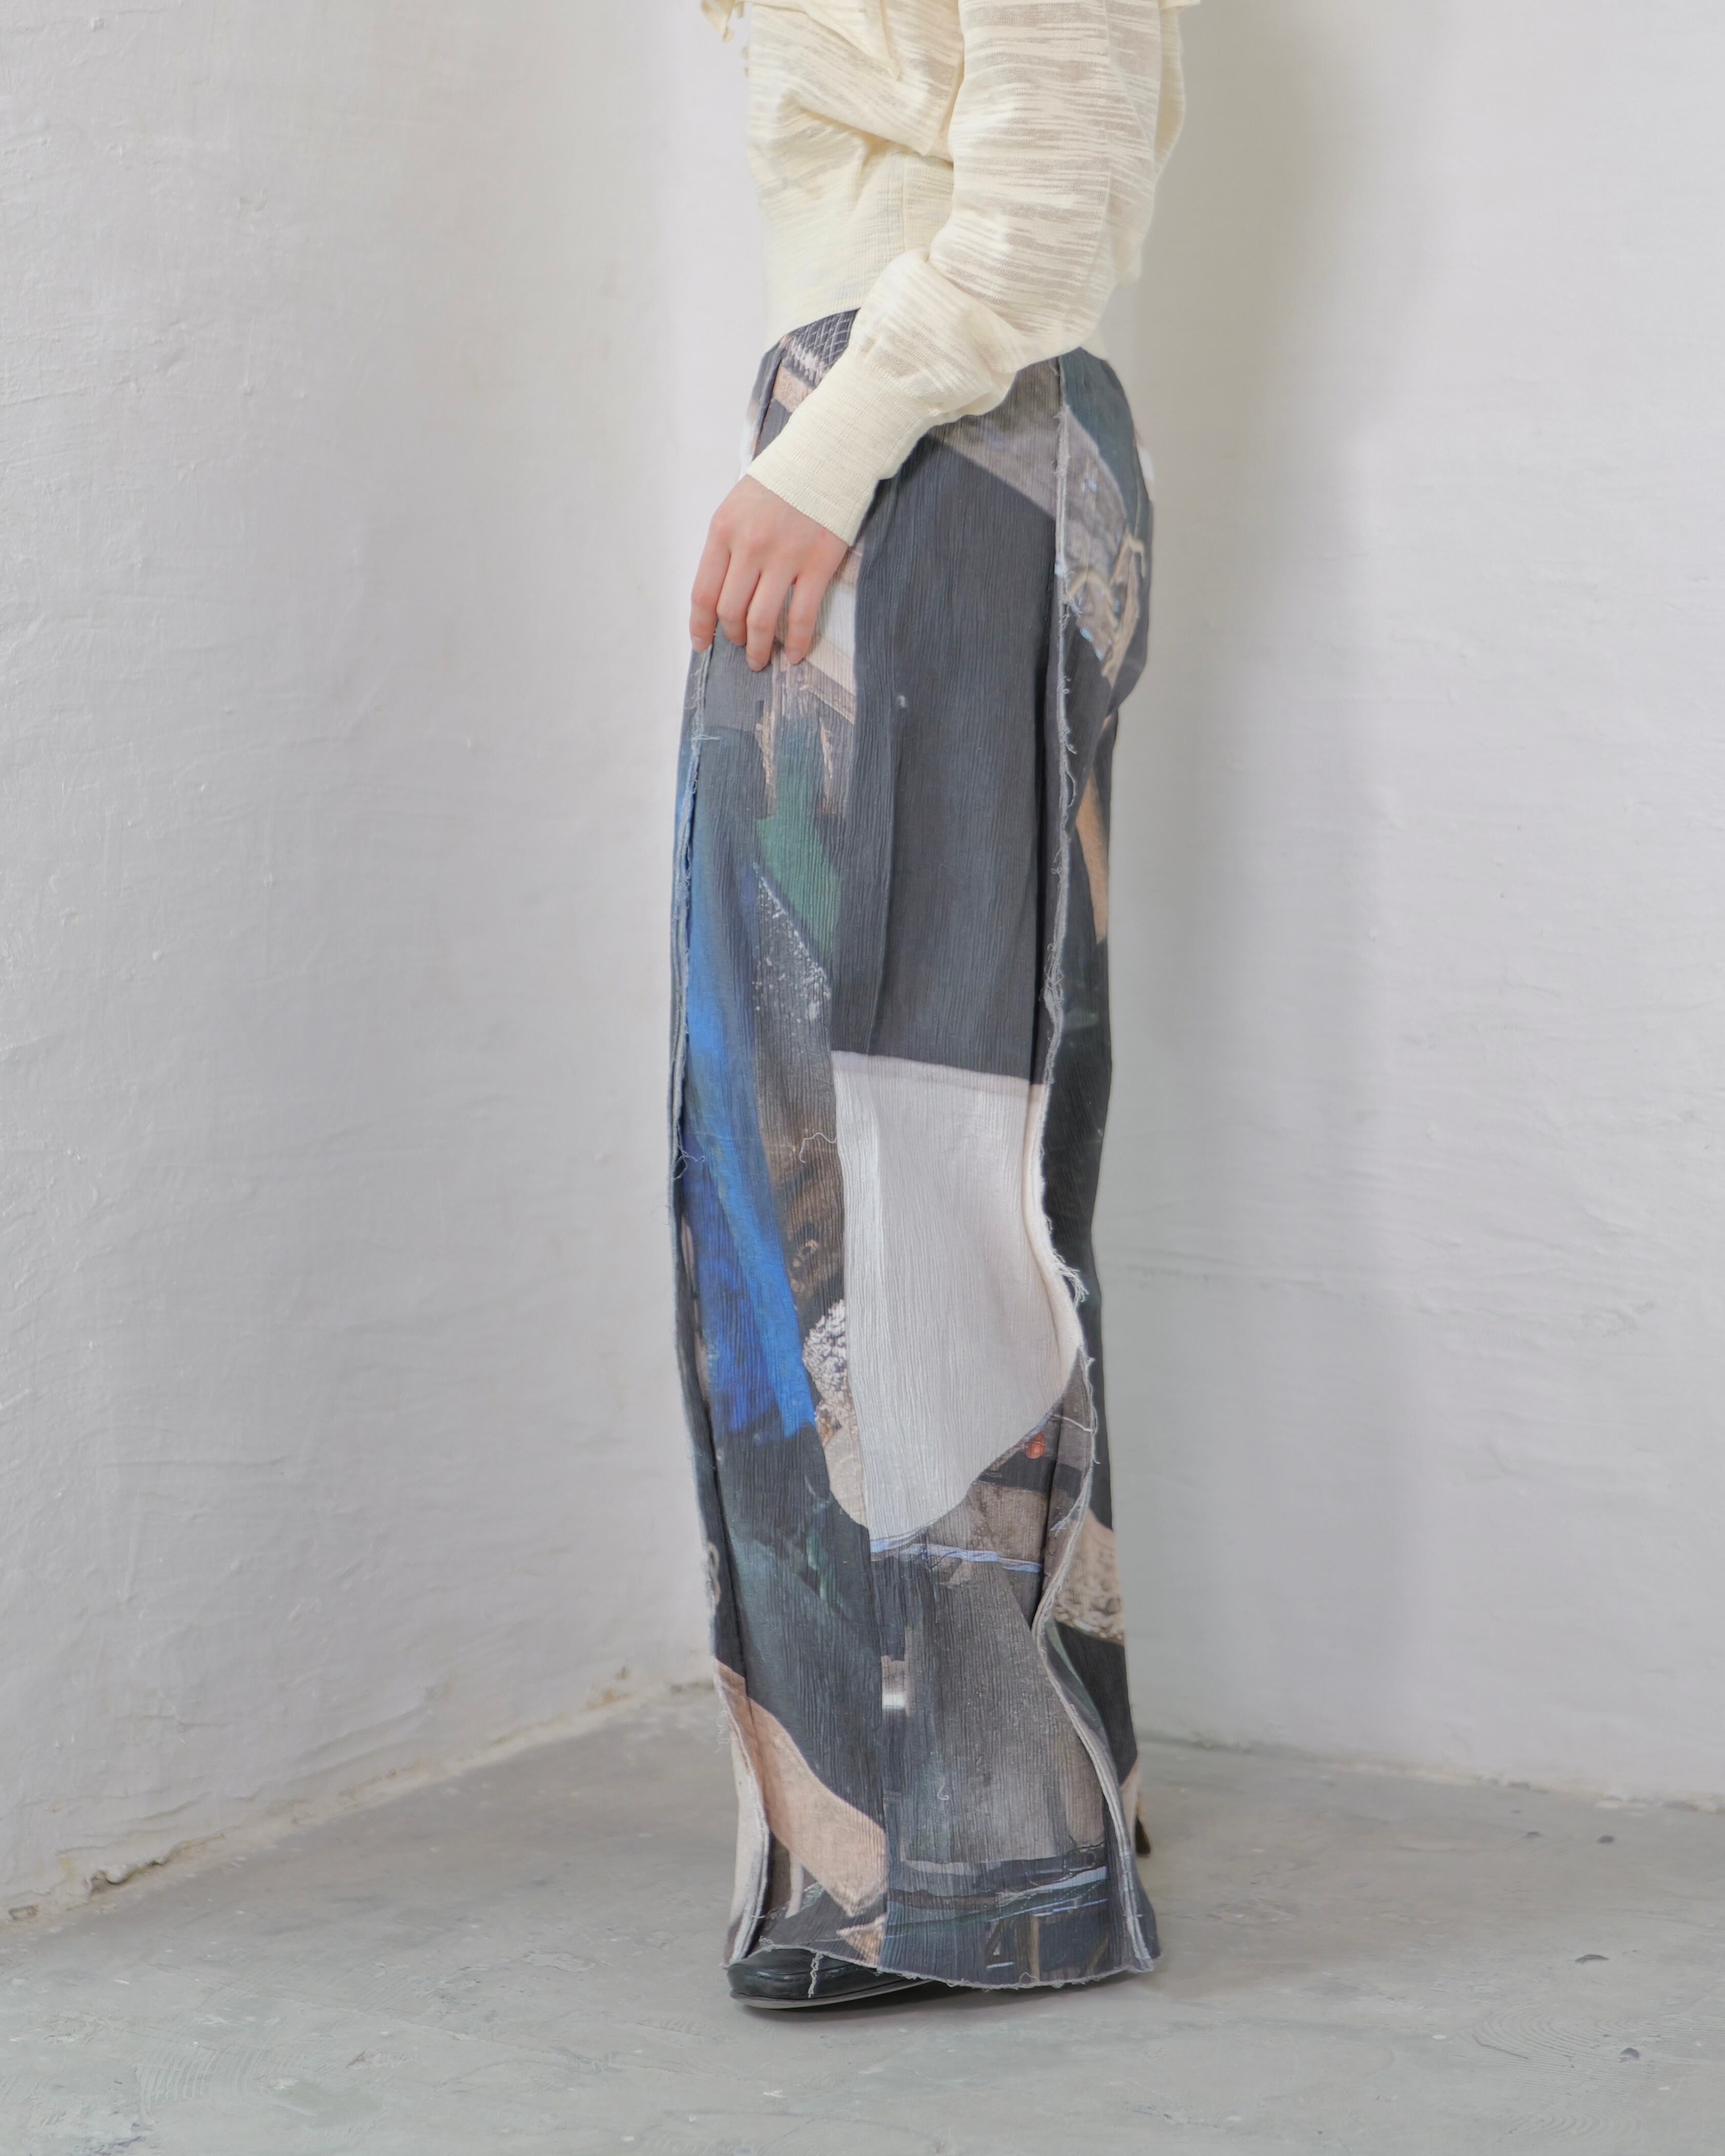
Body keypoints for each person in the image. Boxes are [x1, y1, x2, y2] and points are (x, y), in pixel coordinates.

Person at [672, 0, 1197, 2010]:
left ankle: (954, 1867)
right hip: (911, 448)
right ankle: (1034, 1807)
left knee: (887, 1160)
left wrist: (821, 455)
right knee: (906, 1142)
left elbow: (1047, 204)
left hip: (930, 452)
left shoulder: (880, 426)